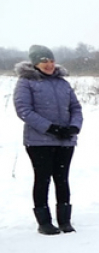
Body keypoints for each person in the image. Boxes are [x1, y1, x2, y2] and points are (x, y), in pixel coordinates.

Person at [13, 45, 82, 235]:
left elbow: (75, 107)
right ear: (35, 63)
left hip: (65, 140)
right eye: (44, 61)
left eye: (51, 60)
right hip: (39, 141)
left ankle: (64, 220)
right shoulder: (26, 82)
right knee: (43, 179)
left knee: (62, 179)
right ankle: (44, 222)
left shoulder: (63, 83)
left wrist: (74, 127)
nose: (49, 64)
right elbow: (24, 110)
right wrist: (51, 128)